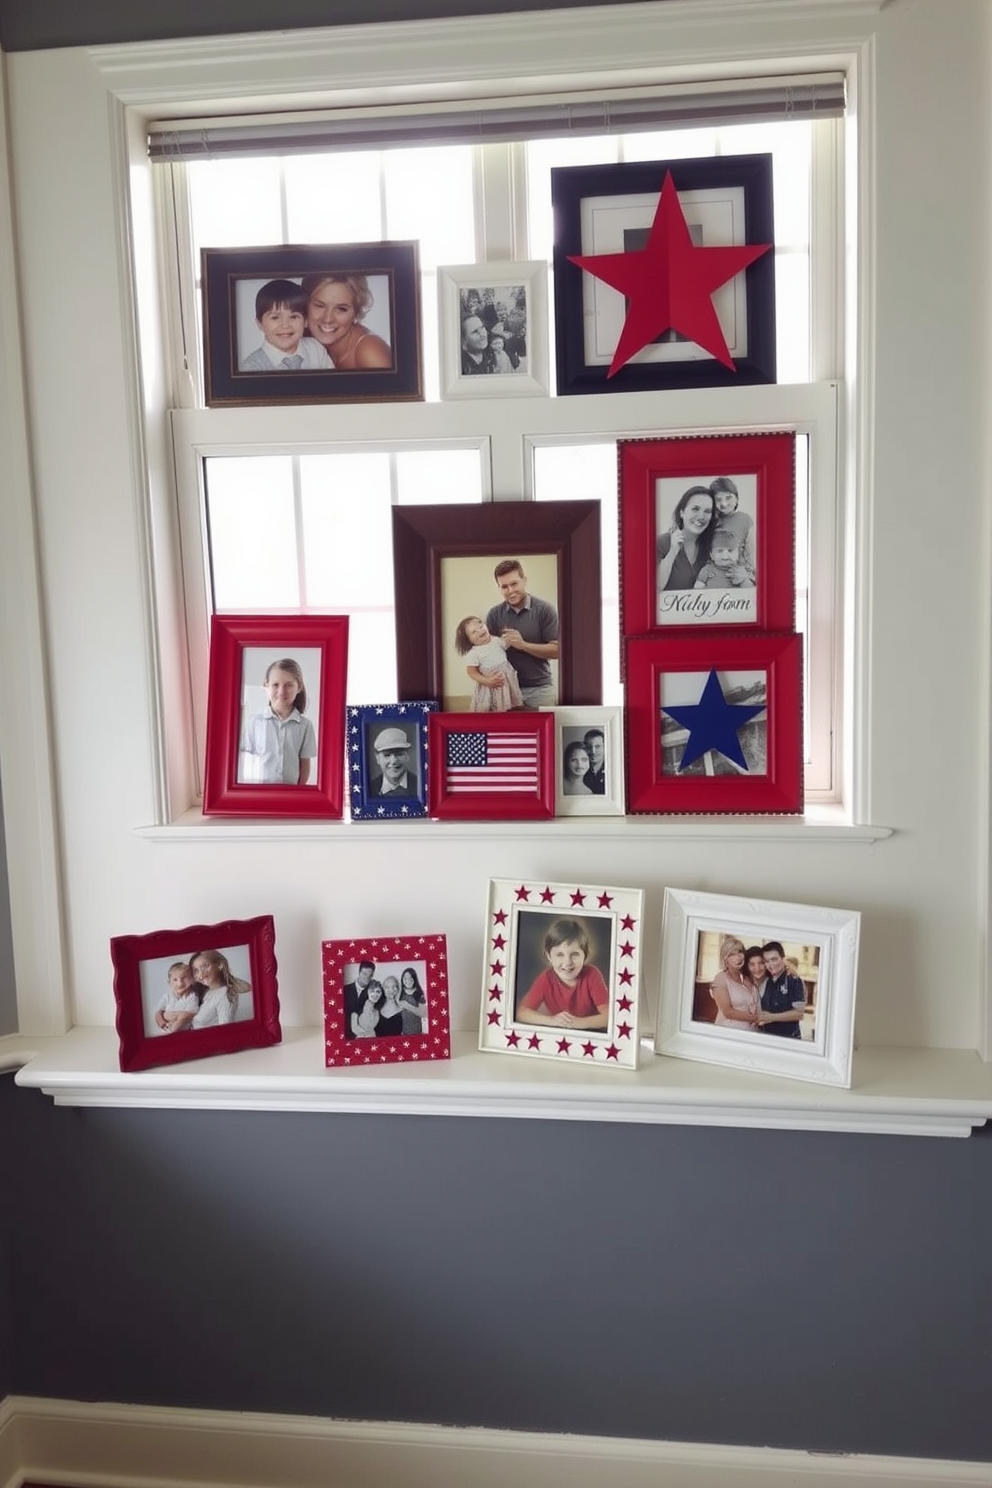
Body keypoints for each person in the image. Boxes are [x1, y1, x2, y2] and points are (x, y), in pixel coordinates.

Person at [485, 559, 559, 709]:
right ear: (499, 588)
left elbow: (557, 651)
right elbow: (488, 654)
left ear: (524, 580)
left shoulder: (545, 610)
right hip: (505, 691)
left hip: (540, 690)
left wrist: (523, 645)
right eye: (504, 586)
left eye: (514, 584)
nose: (510, 590)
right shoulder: (493, 614)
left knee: (546, 732)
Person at [516, 918, 609, 1030]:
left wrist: (578, 1023)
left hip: (593, 1033)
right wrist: (551, 1021)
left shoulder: (592, 975)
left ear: (585, 955)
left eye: (575, 954)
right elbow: (522, 1013)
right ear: (549, 956)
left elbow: (609, 1017)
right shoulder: (546, 978)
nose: (568, 962)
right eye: (560, 954)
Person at [241, 657, 316, 785]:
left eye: (289, 685)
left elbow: (305, 766)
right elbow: (246, 761)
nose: (282, 692)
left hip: (290, 796)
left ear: (299, 687)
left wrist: (298, 793)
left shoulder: (305, 726)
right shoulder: (254, 722)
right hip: (259, 794)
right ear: (266, 685)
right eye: (276, 684)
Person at [302, 273, 392, 370]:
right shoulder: (301, 339)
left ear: (356, 313)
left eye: (341, 309)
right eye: (319, 306)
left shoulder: (370, 352)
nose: (327, 319)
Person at [239, 279, 332, 372]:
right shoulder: (252, 367)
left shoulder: (315, 349)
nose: (285, 325)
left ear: (306, 321)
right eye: (275, 318)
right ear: (260, 323)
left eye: (294, 316)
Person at [453, 615, 523, 712]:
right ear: (469, 640)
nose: (480, 631)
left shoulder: (496, 640)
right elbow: (472, 672)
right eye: (474, 632)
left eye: (481, 627)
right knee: (491, 708)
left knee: (509, 706)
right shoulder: (474, 653)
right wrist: (487, 681)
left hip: (506, 681)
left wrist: (509, 638)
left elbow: (506, 644)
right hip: (490, 684)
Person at [656, 484, 716, 594]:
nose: (701, 516)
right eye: (695, 509)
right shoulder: (660, 542)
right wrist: (673, 550)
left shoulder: (712, 548)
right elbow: (656, 586)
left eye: (707, 511)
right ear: (682, 512)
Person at [708, 936, 761, 1030]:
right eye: (732, 954)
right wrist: (757, 1018)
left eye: (740, 952)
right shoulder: (721, 978)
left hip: (752, 1033)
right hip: (728, 1032)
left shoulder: (749, 977)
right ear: (725, 959)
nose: (738, 957)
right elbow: (728, 1012)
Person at [189, 949, 251, 1029]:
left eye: (205, 966)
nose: (200, 975)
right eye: (196, 970)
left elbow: (225, 1031)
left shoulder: (225, 994)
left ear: (219, 965)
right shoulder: (207, 991)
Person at [757, 940, 807, 1038]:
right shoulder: (766, 979)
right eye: (767, 961)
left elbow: (799, 1014)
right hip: (767, 1036)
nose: (770, 965)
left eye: (774, 959)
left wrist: (771, 1017)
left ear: (783, 958)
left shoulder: (794, 980)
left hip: (789, 1038)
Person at [710, 476, 756, 573]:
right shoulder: (710, 521)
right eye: (718, 499)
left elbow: (752, 555)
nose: (724, 503)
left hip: (739, 573)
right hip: (714, 574)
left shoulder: (745, 520)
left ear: (737, 499)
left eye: (728, 498)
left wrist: (750, 575)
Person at [368, 727, 419, 797]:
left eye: (399, 754)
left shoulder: (421, 785)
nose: (394, 761)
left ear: (407, 756)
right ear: (378, 758)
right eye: (387, 755)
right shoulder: (369, 789)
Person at [153, 961, 200, 1034]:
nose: (180, 983)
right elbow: (158, 1013)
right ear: (169, 982)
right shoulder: (167, 996)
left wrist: (173, 1025)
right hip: (165, 1030)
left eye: (184, 978)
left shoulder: (193, 997)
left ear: (191, 980)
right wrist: (162, 1023)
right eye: (175, 980)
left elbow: (187, 1016)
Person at [344, 960, 376, 1035]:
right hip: (346, 1034)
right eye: (364, 974)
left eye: (370, 975)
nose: (367, 977)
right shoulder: (345, 989)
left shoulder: (373, 992)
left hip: (365, 1034)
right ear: (359, 972)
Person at [398, 967, 428, 1034]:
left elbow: (423, 1014)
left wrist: (407, 1006)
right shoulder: (400, 992)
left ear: (414, 979)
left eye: (410, 978)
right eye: (405, 978)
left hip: (417, 1032)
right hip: (404, 1032)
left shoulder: (419, 993)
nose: (407, 981)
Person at [582, 728, 606, 794]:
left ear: (605, 747)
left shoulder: (613, 770)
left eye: (597, 746)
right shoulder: (580, 770)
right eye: (589, 747)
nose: (593, 752)